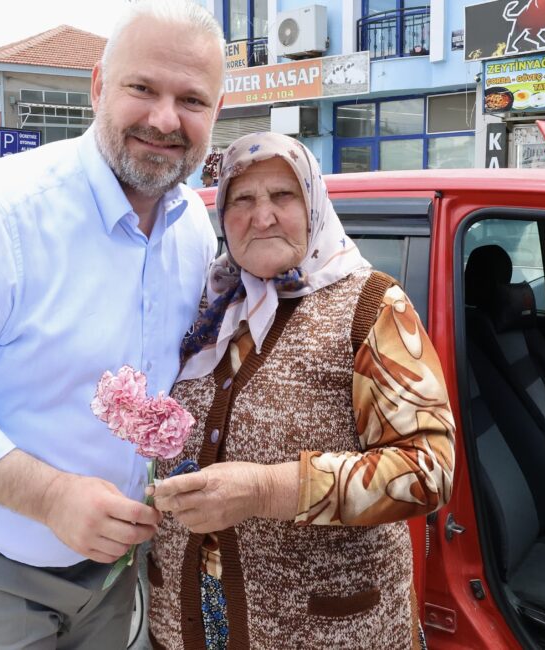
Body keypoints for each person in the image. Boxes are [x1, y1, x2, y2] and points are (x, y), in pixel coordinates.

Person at [0, 1, 225, 646]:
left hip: (115, 564)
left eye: (192, 99)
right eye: (142, 88)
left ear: (215, 113)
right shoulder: (0, 213)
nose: (166, 119)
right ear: (99, 88)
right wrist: (49, 497)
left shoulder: (191, 226)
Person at [149, 132, 457, 649]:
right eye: (243, 199)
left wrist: (268, 490)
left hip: (327, 628)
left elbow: (429, 469)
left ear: (313, 204)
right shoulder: (206, 307)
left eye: (283, 196)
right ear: (222, 215)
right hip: (188, 622)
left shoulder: (373, 307)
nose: (262, 216)